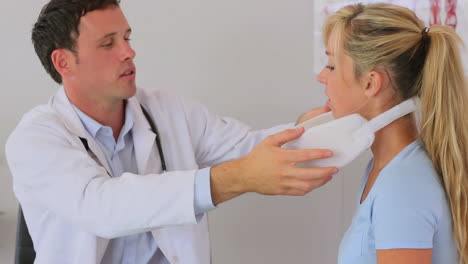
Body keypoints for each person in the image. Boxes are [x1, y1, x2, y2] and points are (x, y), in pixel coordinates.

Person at [4, 0, 338, 263]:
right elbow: (102, 207)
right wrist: (233, 179)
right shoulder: (36, 139)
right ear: (64, 63)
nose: (128, 52)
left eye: (127, 37)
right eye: (108, 43)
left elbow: (250, 148)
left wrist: (320, 125)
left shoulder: (168, 110)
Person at [317, 3, 468, 264]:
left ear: (371, 83)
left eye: (331, 66)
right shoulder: (386, 168)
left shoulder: (401, 185)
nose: (321, 77)